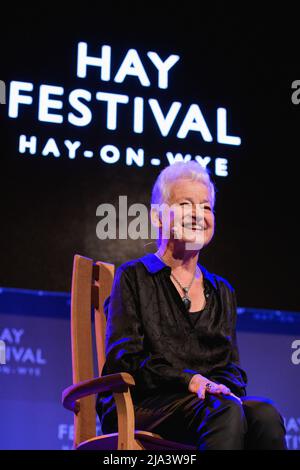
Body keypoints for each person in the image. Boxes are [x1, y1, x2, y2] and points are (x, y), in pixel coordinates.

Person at [96, 161, 287, 450]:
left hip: (207, 407)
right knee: (223, 411)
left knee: (265, 415)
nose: (199, 214)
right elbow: (126, 360)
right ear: (158, 217)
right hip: (143, 406)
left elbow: (231, 368)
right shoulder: (134, 277)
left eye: (207, 207)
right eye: (186, 204)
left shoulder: (222, 291)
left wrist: (221, 387)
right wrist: (189, 380)